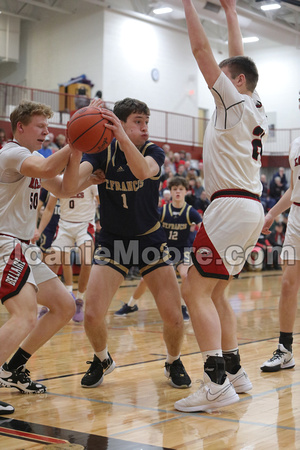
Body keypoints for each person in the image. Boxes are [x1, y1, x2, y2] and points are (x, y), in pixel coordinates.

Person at [175, 0, 268, 413]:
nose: (218, 83)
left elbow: (201, 52)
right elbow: (236, 57)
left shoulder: (231, 100)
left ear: (238, 82)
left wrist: (188, 4)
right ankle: (235, 372)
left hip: (229, 205)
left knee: (193, 288)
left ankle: (215, 385)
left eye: (225, 78)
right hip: (250, 207)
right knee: (217, 294)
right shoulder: (255, 103)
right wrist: (230, 11)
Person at [67, 97, 192, 390]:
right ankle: (102, 359)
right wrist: (76, 150)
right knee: (94, 314)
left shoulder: (153, 151)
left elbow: (142, 171)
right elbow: (70, 187)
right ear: (119, 123)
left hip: (150, 238)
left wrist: (123, 137)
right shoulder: (101, 153)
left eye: (146, 122)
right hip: (113, 241)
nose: (145, 128)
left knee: (174, 317)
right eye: (138, 122)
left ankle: (173, 361)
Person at [0, 100, 88, 414]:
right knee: (23, 315)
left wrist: (78, 155)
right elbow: (47, 168)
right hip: (5, 244)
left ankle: (12, 369)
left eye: (48, 127)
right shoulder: (11, 153)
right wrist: (76, 140)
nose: (46, 132)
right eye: (40, 126)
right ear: (19, 128)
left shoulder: (35, 157)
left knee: (64, 306)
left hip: (25, 247)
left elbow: (65, 189)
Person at [115, 176, 202, 321]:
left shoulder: (190, 211)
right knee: (144, 280)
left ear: (186, 191)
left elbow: (203, 227)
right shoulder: (163, 210)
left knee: (185, 276)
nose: (178, 192)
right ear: (171, 191)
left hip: (182, 250)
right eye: (175, 189)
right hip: (164, 249)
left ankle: (183, 307)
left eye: (181, 189)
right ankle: (131, 305)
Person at [260, 136, 300, 372]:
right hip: (296, 217)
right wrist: (271, 213)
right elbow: (293, 189)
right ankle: (285, 350)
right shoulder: (294, 143)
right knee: (287, 285)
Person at [34, 184, 99, 323]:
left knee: (86, 261)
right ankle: (48, 304)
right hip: (64, 226)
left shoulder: (90, 181)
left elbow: (103, 204)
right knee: (52, 264)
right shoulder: (60, 181)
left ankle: (79, 300)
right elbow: (49, 209)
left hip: (85, 225)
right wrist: (39, 231)